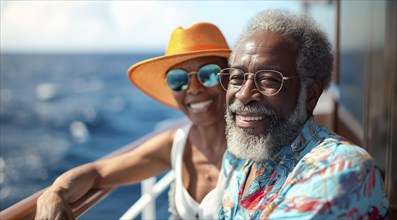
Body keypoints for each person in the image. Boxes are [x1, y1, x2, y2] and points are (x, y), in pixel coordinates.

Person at [35, 22, 230, 219]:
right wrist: (54, 193)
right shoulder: (175, 144)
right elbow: (98, 173)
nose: (194, 88)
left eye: (210, 74)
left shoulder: (256, 147)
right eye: (178, 79)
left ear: (232, 78)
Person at [217, 9, 389, 219]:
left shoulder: (340, 168)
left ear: (310, 95)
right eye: (236, 78)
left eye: (269, 80)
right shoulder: (236, 160)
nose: (244, 95)